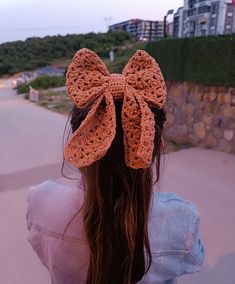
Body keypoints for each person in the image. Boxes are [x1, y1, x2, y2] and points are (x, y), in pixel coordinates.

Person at [26, 48, 205, 284]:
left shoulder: (40, 201)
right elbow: (194, 260)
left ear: (82, 141)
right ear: (158, 145)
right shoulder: (182, 217)